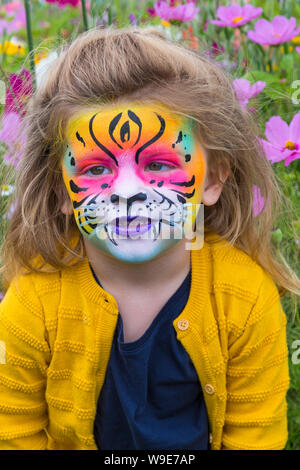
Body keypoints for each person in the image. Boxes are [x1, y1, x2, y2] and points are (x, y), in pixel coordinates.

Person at [0, 25, 299, 451]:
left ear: (213, 177)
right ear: (58, 190)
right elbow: (13, 434)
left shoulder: (246, 299)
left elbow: (256, 439)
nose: (127, 193)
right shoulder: (32, 307)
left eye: (159, 165)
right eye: (96, 169)